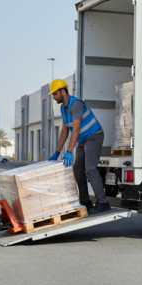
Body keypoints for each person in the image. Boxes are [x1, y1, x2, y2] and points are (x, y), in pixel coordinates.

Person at [47, 79, 111, 214]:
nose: (53, 97)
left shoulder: (75, 104)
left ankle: (102, 202)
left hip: (94, 136)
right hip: (83, 140)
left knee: (90, 168)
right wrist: (57, 152)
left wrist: (69, 151)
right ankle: (85, 202)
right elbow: (65, 131)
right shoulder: (63, 108)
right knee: (77, 169)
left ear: (63, 91)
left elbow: (75, 129)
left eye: (55, 94)